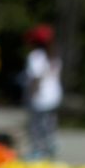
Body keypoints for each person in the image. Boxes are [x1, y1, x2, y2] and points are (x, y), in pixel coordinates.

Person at [23, 25, 62, 160]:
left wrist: (32, 94)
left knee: (36, 125)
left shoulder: (35, 56)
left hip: (40, 96)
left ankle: (38, 149)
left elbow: (36, 77)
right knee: (49, 122)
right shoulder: (54, 56)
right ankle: (50, 144)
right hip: (54, 95)